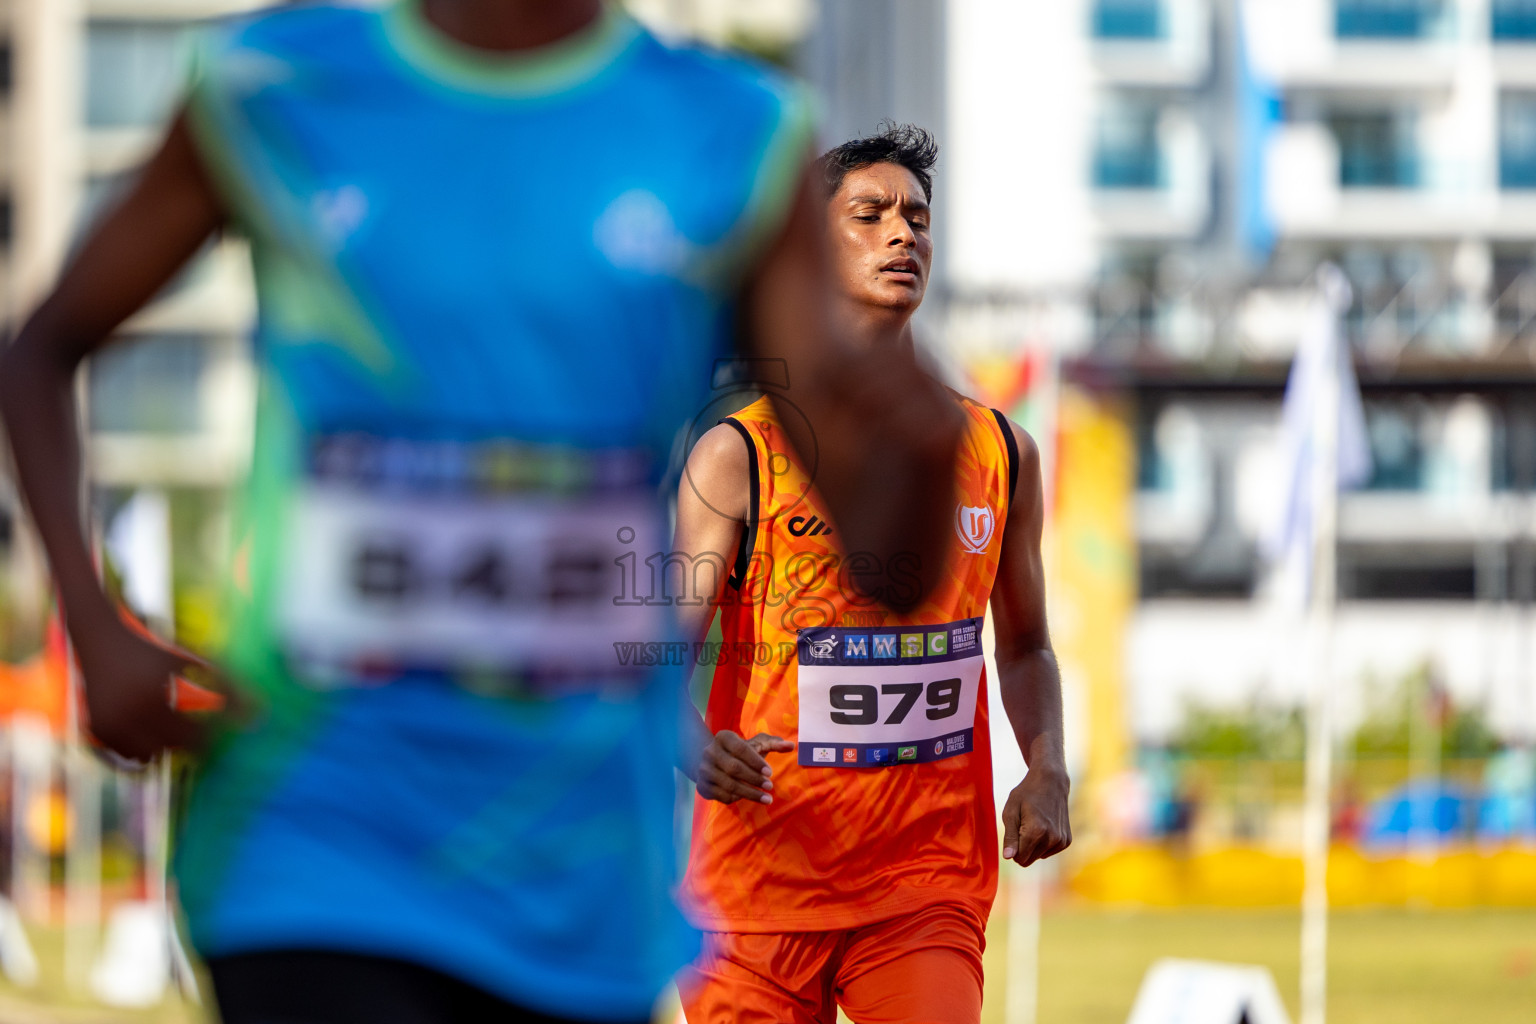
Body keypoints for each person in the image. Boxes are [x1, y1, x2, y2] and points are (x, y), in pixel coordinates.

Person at [0, 4, 965, 1021]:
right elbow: (42, 348)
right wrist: (95, 629)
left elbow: (884, 575)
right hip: (315, 829)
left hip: (579, 875)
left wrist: (930, 453)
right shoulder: (273, 83)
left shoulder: (733, 129)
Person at [671, 125, 1072, 1024]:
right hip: (758, 884)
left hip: (923, 883)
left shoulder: (1003, 452)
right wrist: (691, 742)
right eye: (872, 214)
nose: (905, 235)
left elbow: (1026, 645)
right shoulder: (739, 452)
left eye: (919, 219)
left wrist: (1047, 766)